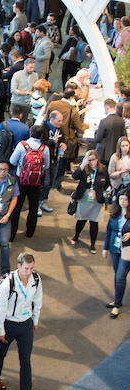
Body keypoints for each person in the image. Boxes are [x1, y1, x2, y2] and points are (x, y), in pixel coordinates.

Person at [0, 252, 43, 390]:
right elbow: (0, 309)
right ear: (18, 266)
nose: (29, 272)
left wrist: (35, 320)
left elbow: (38, 300)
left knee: (25, 360)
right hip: (10, 324)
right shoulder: (8, 284)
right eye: (26, 268)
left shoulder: (36, 279)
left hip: (26, 324)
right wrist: (0, 330)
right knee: (1, 352)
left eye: (31, 268)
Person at [9, 126, 50, 241]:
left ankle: (12, 234)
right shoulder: (44, 148)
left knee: (16, 207)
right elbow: (47, 166)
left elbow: (12, 161)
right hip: (36, 182)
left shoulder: (22, 145)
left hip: (21, 180)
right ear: (41, 136)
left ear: (30, 133)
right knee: (33, 207)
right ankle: (30, 232)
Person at [71, 150, 111, 253]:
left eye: (93, 159)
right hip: (85, 197)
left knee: (94, 222)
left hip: (97, 198)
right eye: (88, 160)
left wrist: (105, 191)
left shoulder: (103, 169)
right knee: (81, 220)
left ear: (97, 159)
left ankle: (93, 244)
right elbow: (74, 177)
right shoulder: (84, 168)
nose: (91, 162)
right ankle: (76, 236)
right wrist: (82, 165)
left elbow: (107, 183)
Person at [104, 189, 130, 319]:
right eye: (120, 199)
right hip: (115, 249)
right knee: (117, 275)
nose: (122, 201)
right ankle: (117, 299)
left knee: (120, 276)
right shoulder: (114, 213)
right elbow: (108, 230)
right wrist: (105, 248)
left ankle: (117, 305)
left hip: (127, 251)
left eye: (125, 199)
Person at [95, 99, 127, 168]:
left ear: (107, 107)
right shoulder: (121, 121)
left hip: (104, 154)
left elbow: (98, 138)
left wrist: (96, 130)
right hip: (117, 152)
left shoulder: (104, 121)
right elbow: (124, 137)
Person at [10, 58, 38, 123]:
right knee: (14, 122)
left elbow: (35, 90)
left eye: (33, 67)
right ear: (25, 66)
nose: (32, 70)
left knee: (23, 122)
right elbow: (13, 90)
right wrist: (27, 93)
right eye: (30, 67)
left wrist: (32, 101)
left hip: (27, 104)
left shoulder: (35, 76)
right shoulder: (17, 75)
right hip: (16, 102)